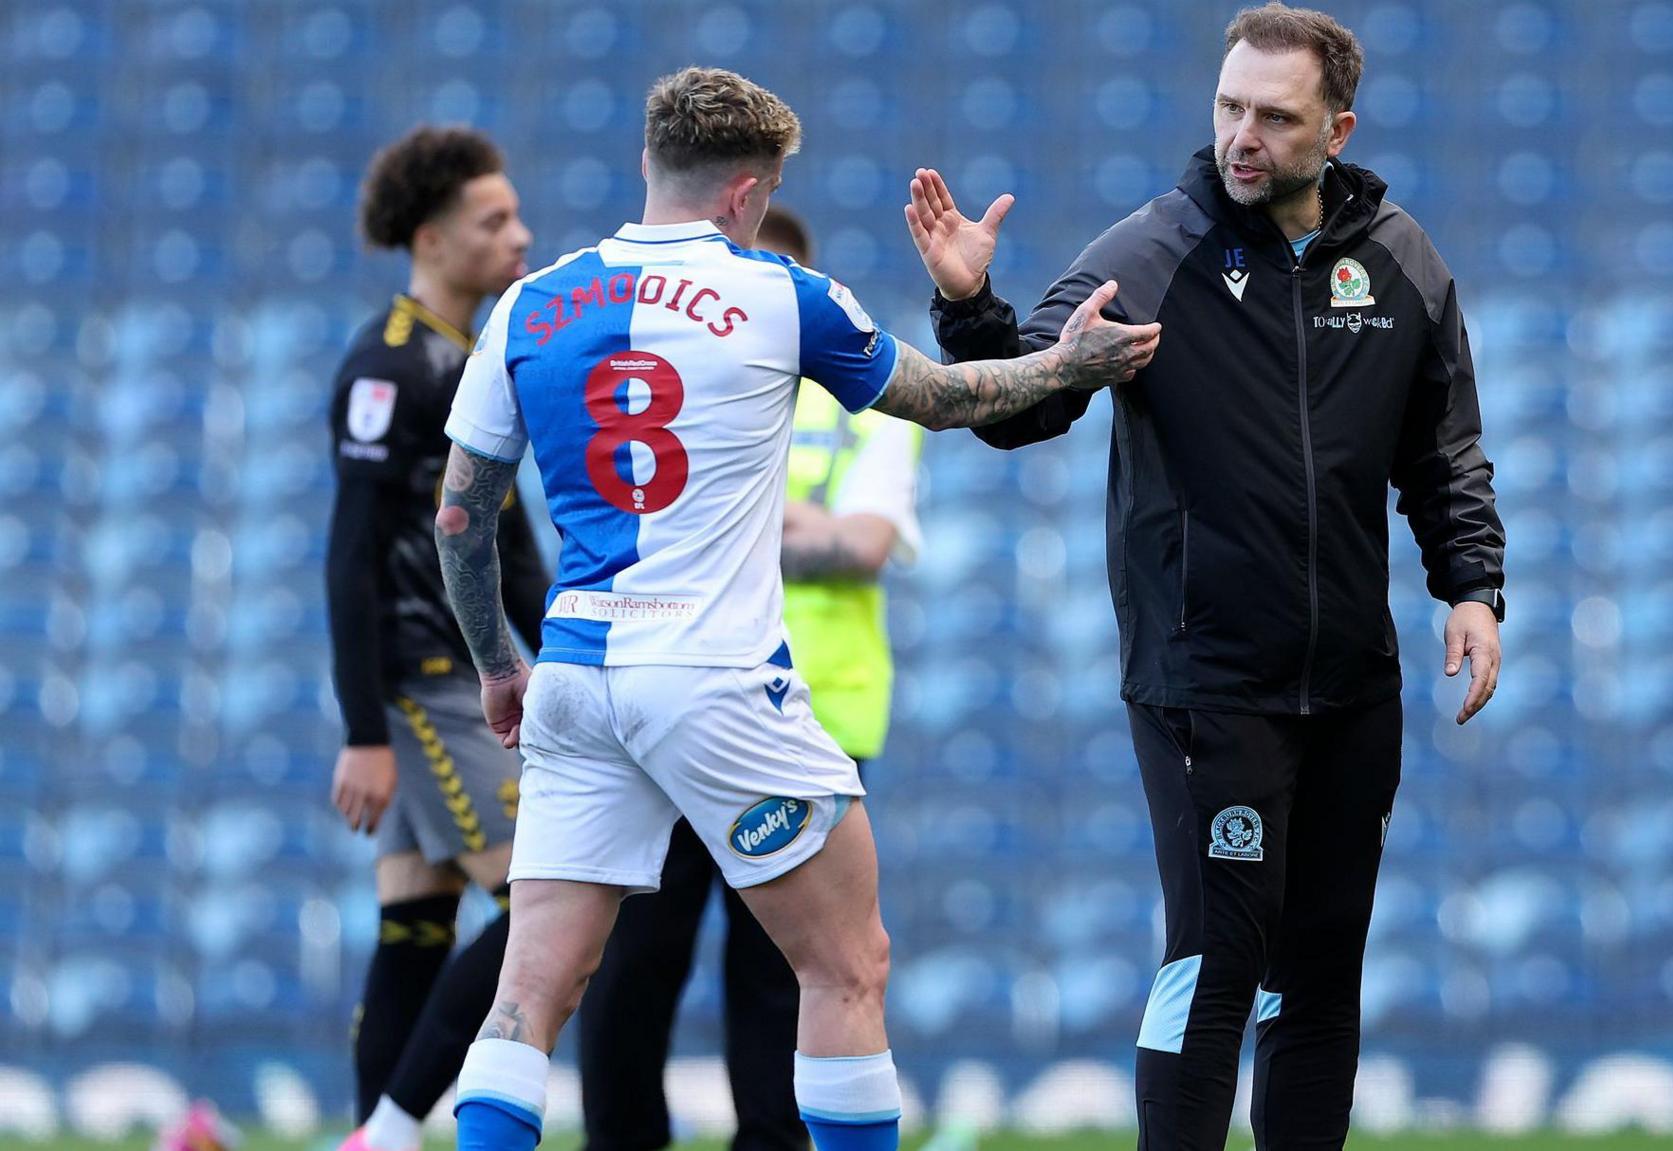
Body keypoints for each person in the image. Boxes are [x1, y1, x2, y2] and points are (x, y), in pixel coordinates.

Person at [430, 66, 1159, 1151]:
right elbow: (949, 399)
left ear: (649, 162)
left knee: (530, 994)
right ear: (749, 192)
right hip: (714, 676)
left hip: (574, 675)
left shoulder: (530, 303)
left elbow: (459, 519)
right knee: (846, 963)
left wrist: (497, 660)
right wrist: (1068, 363)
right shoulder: (779, 292)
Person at [905, 5, 1505, 1149]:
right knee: (1216, 952)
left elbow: (1441, 447)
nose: (1241, 135)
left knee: (1320, 969)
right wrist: (972, 311)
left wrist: (1469, 586)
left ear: (1336, 130)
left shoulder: (1400, 260)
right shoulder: (1150, 250)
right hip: (1203, 681)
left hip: (1349, 685)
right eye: (1229, 106)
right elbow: (1017, 408)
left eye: (1273, 118)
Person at [574, 203, 924, 1151]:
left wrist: (719, 529)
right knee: (634, 959)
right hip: (667, 704)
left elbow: (861, 545)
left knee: (788, 969)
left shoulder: (858, 404)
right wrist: (788, 526)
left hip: (809, 719)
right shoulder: (662, 393)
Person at [319, 125, 549, 1151]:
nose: (519, 235)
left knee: (415, 920)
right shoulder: (389, 363)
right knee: (540, 903)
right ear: (430, 237)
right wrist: (365, 726)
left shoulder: (475, 360)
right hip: (425, 679)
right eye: (492, 220)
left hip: (466, 672)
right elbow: (351, 552)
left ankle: (373, 1129)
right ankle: (398, 1126)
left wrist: (561, 645)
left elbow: (513, 540)